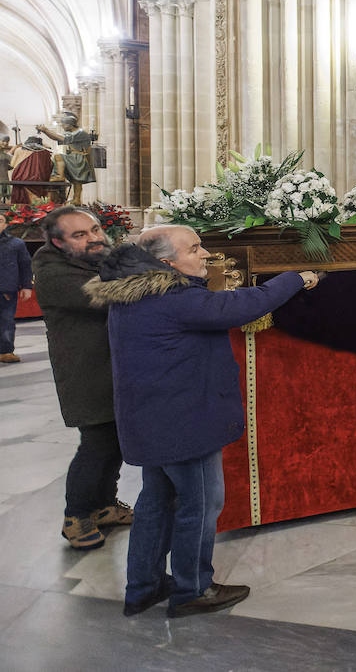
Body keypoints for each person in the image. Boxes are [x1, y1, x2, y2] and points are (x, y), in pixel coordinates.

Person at [85, 226, 319, 617]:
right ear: (166, 263)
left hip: (153, 418)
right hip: (181, 422)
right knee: (200, 502)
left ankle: (143, 587)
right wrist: (295, 277)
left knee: (157, 502)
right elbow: (243, 305)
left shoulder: (136, 292)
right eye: (194, 249)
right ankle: (193, 589)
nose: (206, 254)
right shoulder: (171, 297)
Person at [32, 207, 130, 549]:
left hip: (110, 366)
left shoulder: (94, 258)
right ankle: (76, 517)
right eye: (80, 235)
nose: (93, 238)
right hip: (85, 372)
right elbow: (107, 295)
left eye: (94, 230)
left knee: (115, 440)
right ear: (58, 242)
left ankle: (104, 505)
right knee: (97, 444)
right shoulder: (52, 272)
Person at [38, 113, 98, 206]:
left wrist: (46, 130)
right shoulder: (71, 133)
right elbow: (56, 137)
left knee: (58, 156)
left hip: (79, 157)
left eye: (63, 125)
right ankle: (76, 199)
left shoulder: (80, 133)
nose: (62, 127)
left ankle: (60, 176)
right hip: (74, 157)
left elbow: (63, 138)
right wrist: (45, 132)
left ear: (69, 125)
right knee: (76, 181)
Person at [0, 217, 33, 364]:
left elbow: (25, 265)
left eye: (0, 220)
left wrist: (26, 286)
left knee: (6, 321)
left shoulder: (16, 244)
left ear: (6, 224)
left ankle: (6, 351)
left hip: (7, 289)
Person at [10, 136, 54, 204]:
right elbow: (50, 167)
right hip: (41, 181)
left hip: (21, 179)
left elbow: (12, 165)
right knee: (40, 204)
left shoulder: (19, 150)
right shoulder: (46, 152)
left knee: (22, 206)